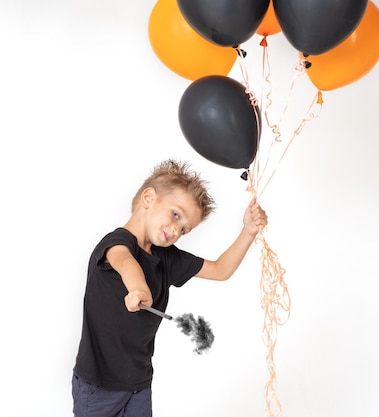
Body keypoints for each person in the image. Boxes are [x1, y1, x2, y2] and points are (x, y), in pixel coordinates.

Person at [72, 159, 267, 417]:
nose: (176, 230)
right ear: (148, 198)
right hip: (99, 386)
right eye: (176, 214)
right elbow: (125, 263)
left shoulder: (167, 257)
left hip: (139, 384)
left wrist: (248, 232)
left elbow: (221, 270)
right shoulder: (116, 243)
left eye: (184, 230)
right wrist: (138, 289)